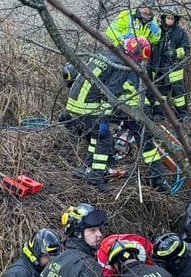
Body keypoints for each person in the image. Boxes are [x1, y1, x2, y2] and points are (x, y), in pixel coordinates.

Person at [66, 37, 169, 192]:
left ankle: (86, 168)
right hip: (90, 107)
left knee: (95, 136)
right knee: (105, 139)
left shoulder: (106, 55)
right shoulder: (122, 65)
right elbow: (111, 94)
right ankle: (96, 177)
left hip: (75, 103)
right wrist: (105, 120)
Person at [151, 6, 191, 119]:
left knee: (178, 94)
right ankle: (159, 114)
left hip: (174, 69)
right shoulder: (157, 30)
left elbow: (186, 49)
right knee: (159, 93)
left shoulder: (180, 33)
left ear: (176, 19)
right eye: (167, 18)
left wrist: (174, 53)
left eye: (172, 18)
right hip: (158, 67)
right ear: (163, 18)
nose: (169, 20)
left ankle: (183, 114)